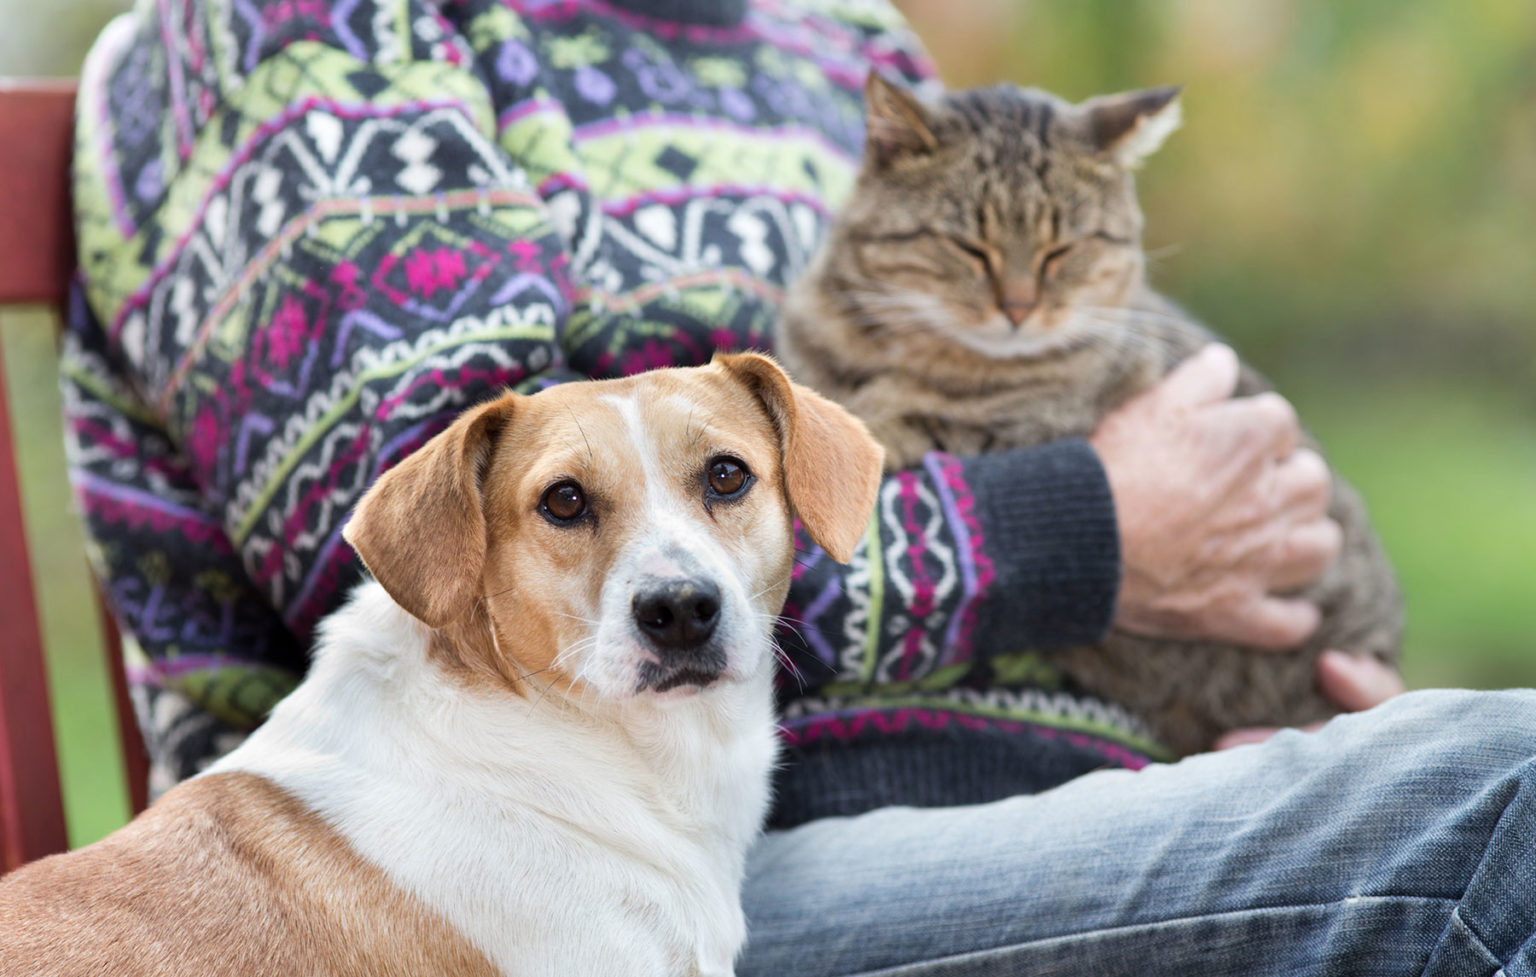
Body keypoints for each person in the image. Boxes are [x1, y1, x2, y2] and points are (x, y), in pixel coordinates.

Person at [64, 1, 1532, 973]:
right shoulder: (295, 36)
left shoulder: (842, 37)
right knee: (1500, 790)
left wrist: (1262, 682)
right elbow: (445, 549)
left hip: (1097, 787)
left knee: (1439, 774)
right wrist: (1089, 527)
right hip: (602, 868)